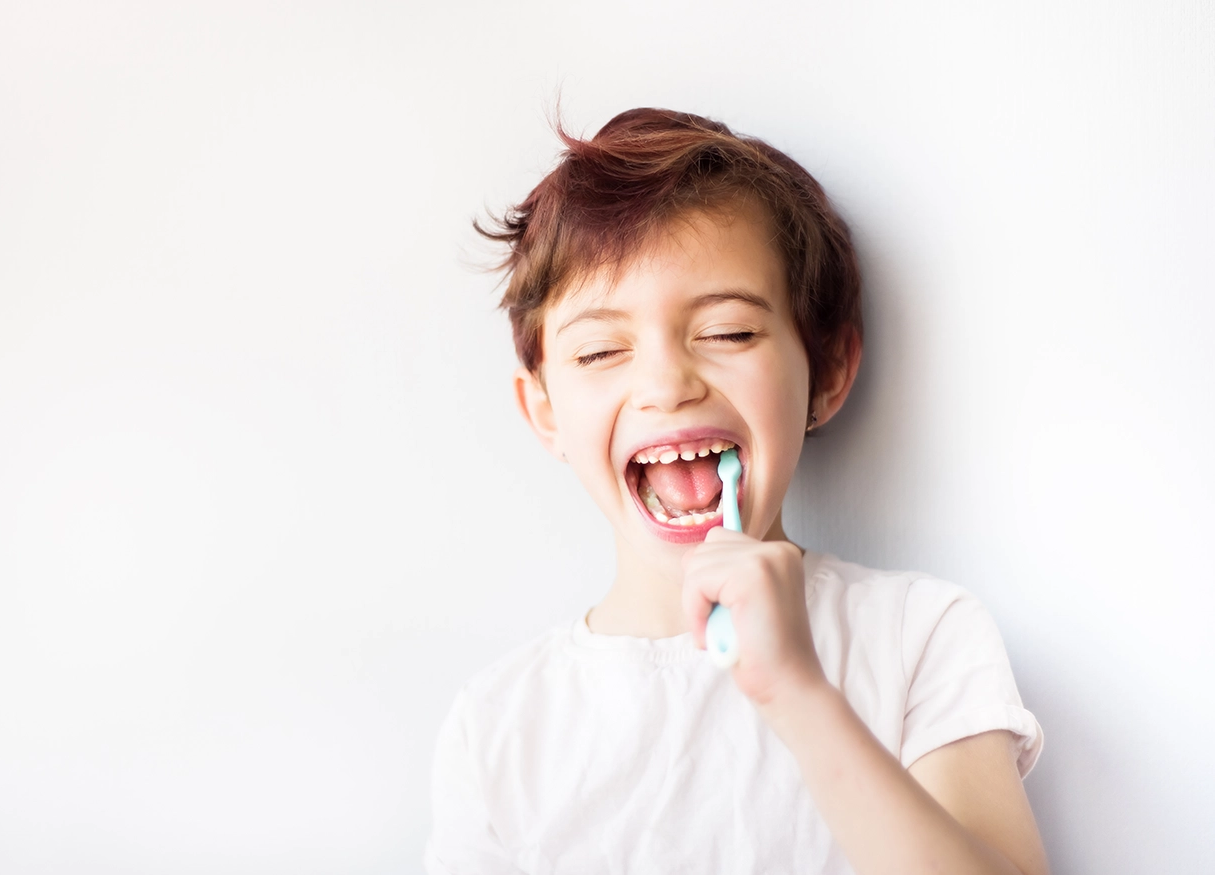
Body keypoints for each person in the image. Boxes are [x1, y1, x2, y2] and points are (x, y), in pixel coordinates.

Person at [424, 108, 1048, 875]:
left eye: (728, 333)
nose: (665, 384)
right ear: (545, 412)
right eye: (599, 349)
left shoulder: (920, 635)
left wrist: (799, 692)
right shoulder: (497, 727)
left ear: (827, 372)